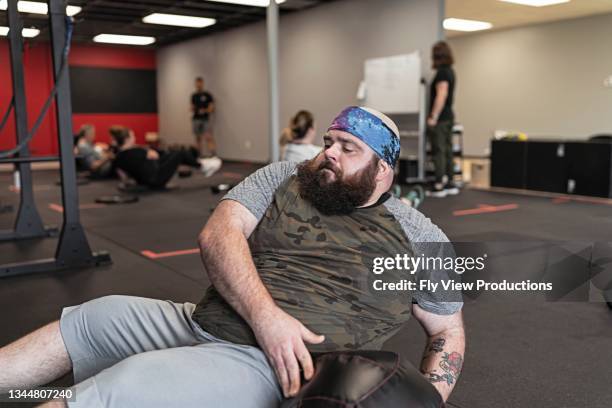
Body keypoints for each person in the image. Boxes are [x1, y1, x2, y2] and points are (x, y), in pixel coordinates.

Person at [0, 106, 464, 408]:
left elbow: (446, 331)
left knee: (123, 389)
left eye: (348, 148)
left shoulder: (419, 236)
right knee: (89, 319)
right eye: (328, 141)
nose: (329, 154)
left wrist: (426, 400)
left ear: (383, 170)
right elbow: (218, 234)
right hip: (204, 319)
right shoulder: (287, 176)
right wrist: (266, 316)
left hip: (275, 362)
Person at [110, 126, 221, 189]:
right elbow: (155, 155)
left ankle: (201, 162)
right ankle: (202, 165)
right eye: (133, 135)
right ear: (128, 139)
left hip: (144, 181)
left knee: (173, 154)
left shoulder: (118, 156)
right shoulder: (137, 151)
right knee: (179, 153)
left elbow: (122, 175)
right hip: (156, 179)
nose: (134, 137)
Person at [427, 41, 458, 198]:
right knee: (446, 149)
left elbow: (442, 95)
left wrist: (433, 116)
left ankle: (439, 185)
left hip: (441, 118)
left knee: (439, 150)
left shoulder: (442, 73)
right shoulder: (450, 71)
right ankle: (450, 182)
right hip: (449, 116)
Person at [191, 77, 216, 157]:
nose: (198, 84)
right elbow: (192, 107)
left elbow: (211, 108)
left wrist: (205, 111)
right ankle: (199, 155)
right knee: (198, 138)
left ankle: (213, 154)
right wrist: (193, 109)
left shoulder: (207, 95)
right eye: (197, 83)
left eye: (200, 83)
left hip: (205, 119)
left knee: (208, 137)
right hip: (196, 119)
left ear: (202, 83)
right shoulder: (194, 95)